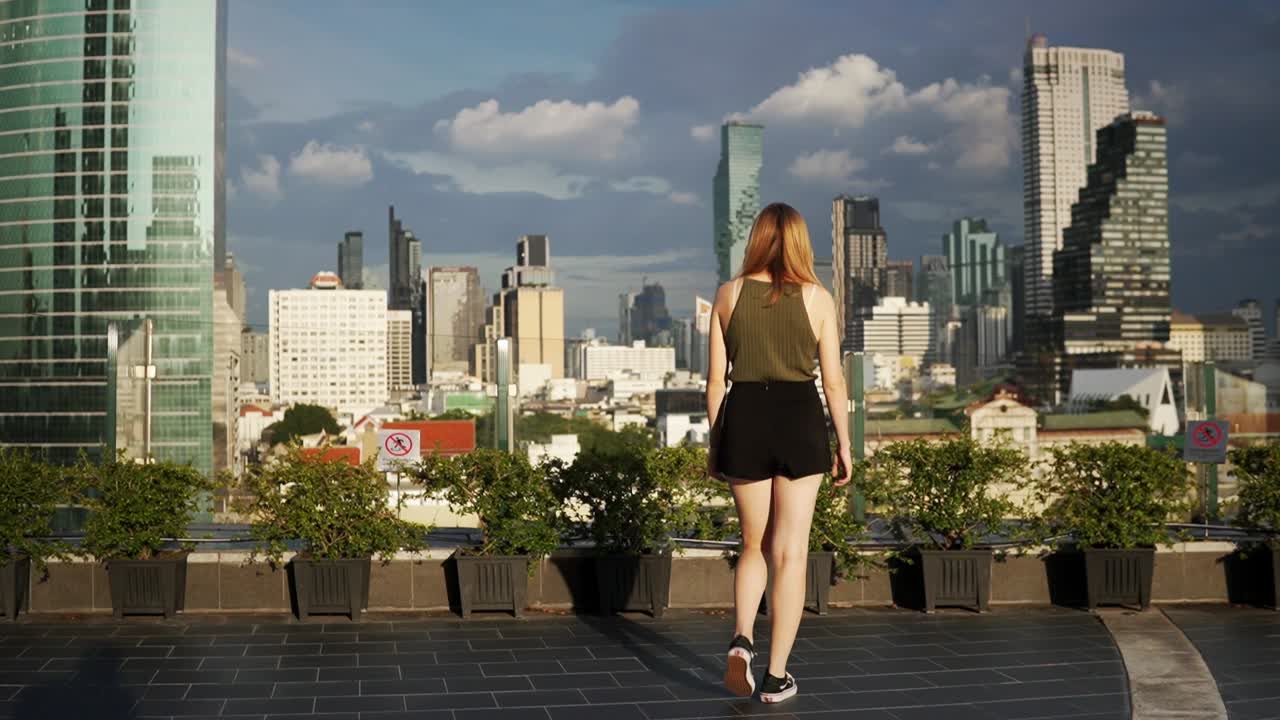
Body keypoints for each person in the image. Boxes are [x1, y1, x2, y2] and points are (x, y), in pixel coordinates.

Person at [706, 202, 852, 704]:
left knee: (751, 545)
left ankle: (742, 637)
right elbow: (833, 381)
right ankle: (775, 676)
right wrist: (845, 444)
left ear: (757, 239)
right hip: (799, 419)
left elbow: (714, 385)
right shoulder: (818, 298)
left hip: (744, 416)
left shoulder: (728, 295)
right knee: (789, 553)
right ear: (800, 243)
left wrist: (715, 440)